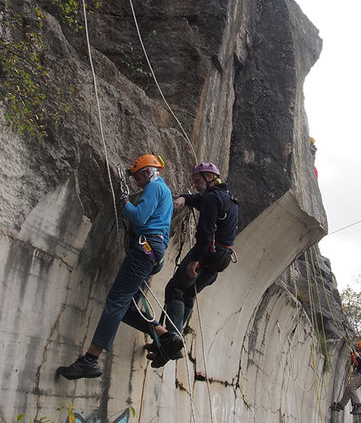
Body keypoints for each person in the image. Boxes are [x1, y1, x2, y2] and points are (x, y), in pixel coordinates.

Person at [57, 154, 183, 380]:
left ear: (147, 172)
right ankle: (165, 337)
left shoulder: (154, 188)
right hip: (152, 250)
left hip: (145, 249)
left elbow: (140, 218)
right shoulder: (163, 190)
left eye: (137, 177)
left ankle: (91, 359)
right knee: (125, 309)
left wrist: (124, 202)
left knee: (117, 301)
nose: (137, 182)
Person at [147, 161, 239, 368]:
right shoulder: (228, 199)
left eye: (197, 181)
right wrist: (186, 198)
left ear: (209, 178)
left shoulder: (213, 198)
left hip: (208, 254)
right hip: (222, 258)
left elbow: (205, 234)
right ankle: (169, 343)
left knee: (175, 289)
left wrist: (195, 261)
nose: (195, 185)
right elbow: (201, 200)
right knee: (188, 294)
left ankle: (171, 343)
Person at [330, 340, 361, 415]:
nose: (360, 351)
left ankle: (358, 405)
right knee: (348, 388)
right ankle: (341, 404)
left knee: (351, 387)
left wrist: (357, 357)